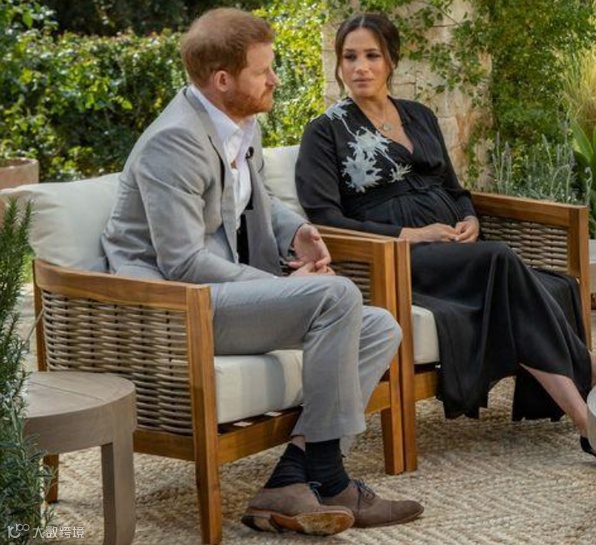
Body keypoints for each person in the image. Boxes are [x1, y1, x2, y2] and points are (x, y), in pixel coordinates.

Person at [100, 7, 424, 536]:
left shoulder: (238, 123)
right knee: (337, 295)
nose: (274, 79)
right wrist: (282, 286)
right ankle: (331, 480)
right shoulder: (174, 142)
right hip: (174, 310)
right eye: (263, 70)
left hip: (216, 293)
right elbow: (182, 262)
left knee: (380, 327)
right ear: (222, 80)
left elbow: (260, 201)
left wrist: (299, 231)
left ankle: (290, 478)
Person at [295, 12, 596, 464]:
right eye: (350, 57)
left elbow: (453, 187)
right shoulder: (325, 131)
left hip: (454, 248)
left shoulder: (419, 115)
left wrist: (469, 218)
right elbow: (325, 218)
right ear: (338, 62)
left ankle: (590, 419)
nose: (360, 67)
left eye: (372, 56)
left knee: (514, 280)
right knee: (500, 260)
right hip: (397, 258)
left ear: (391, 61)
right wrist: (410, 235)